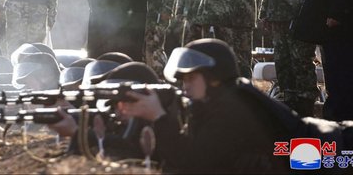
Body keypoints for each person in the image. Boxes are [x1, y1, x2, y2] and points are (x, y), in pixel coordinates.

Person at [121, 39, 295, 174]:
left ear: (214, 79)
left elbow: (193, 163)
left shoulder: (233, 110)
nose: (185, 86)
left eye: (191, 79)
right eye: (183, 80)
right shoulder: (207, 106)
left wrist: (159, 117)